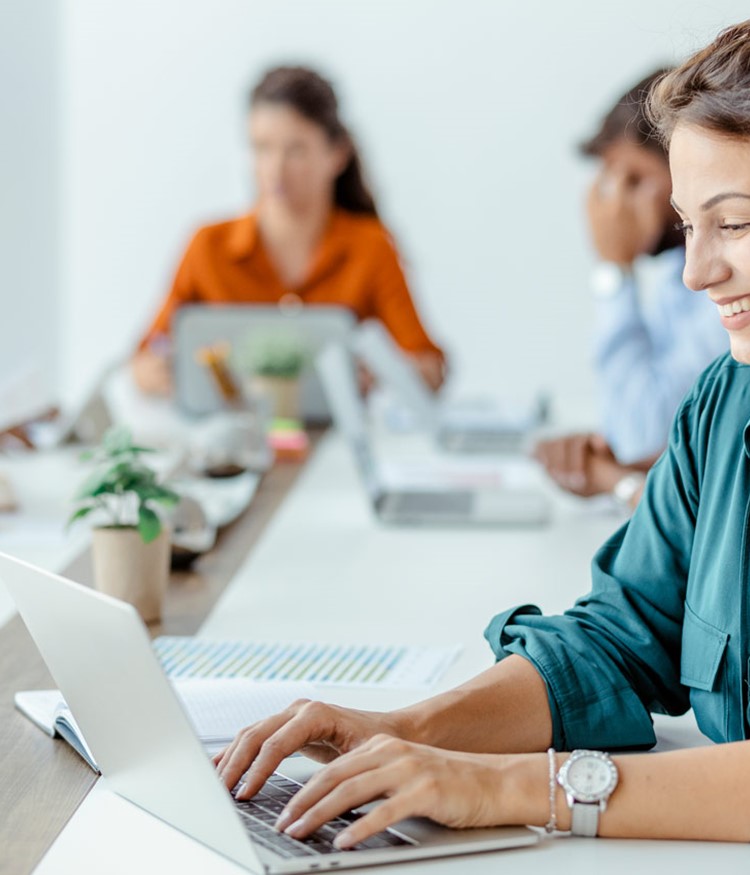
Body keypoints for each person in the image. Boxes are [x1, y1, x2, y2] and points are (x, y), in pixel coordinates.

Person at [213, 21, 750, 844]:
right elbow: (620, 633)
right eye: (686, 226)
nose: (694, 270)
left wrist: (516, 786)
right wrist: (407, 729)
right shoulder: (724, 402)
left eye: (735, 223)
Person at [132, 66, 445, 396]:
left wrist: (380, 374)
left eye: (296, 150)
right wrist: (161, 372)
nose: (275, 169)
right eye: (262, 148)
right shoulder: (207, 245)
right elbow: (143, 362)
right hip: (236, 436)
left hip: (335, 441)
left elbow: (429, 368)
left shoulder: (371, 247)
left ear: (337, 154)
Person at [534, 69, 727, 509]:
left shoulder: (724, 287)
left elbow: (643, 432)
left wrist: (613, 270)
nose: (615, 204)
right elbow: (639, 445)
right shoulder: (675, 271)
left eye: (635, 181)